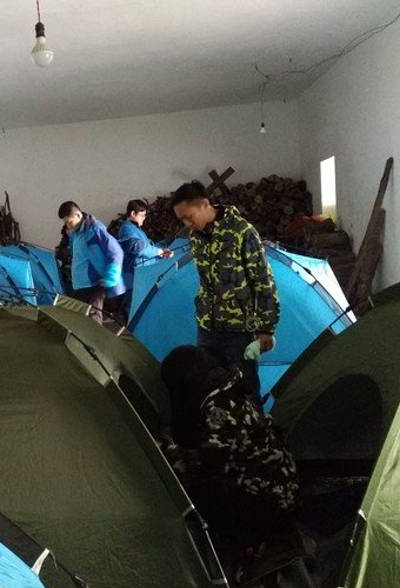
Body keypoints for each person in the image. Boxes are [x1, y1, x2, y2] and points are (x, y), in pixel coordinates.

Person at [160, 344, 299, 547]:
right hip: (282, 486)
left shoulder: (219, 408)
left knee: (191, 486)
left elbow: (207, 464)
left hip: (266, 501)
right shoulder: (228, 388)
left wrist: (168, 451)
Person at [171, 181, 279, 403]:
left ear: (205, 204)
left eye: (189, 217)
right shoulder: (196, 238)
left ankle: (254, 424)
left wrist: (266, 329)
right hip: (207, 327)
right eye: (182, 220)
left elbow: (263, 281)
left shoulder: (242, 232)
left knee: (246, 389)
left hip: (238, 329)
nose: (187, 224)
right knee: (209, 386)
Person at [58, 201, 125, 323]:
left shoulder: (95, 229)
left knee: (93, 321)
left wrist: (111, 277)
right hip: (79, 286)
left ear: (78, 215)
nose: (68, 225)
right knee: (78, 321)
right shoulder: (75, 234)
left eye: (69, 222)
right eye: (66, 223)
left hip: (95, 284)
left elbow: (116, 252)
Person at [117, 199, 173, 316]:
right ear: (133, 214)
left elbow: (147, 247)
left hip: (139, 273)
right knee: (133, 307)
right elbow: (137, 247)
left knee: (137, 306)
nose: (144, 218)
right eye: (142, 215)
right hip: (134, 275)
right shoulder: (127, 228)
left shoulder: (135, 229)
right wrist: (159, 251)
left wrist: (162, 251)